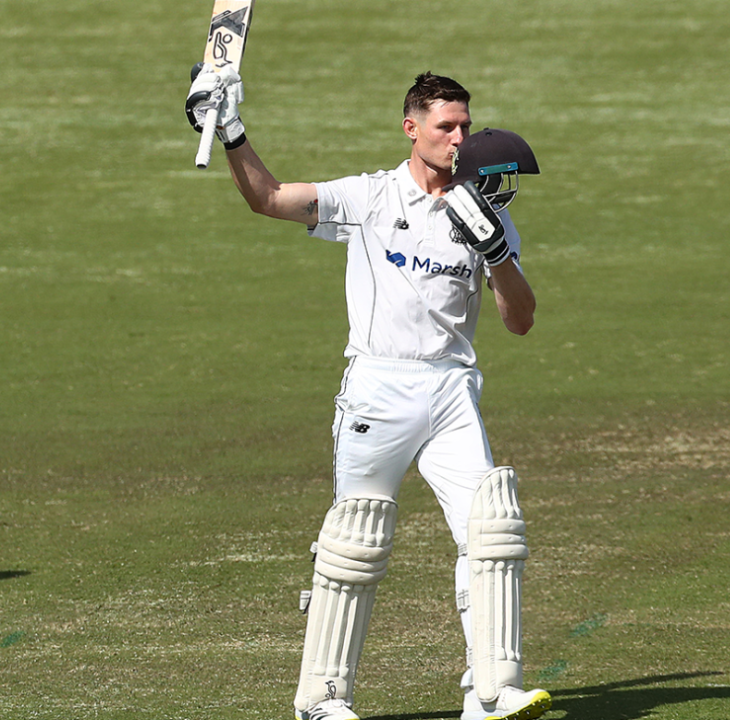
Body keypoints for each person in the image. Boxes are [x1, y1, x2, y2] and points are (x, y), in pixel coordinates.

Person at [185, 68, 551, 720]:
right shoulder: (371, 198)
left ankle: (492, 691)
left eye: (465, 125)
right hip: (379, 389)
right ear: (412, 128)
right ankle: (322, 700)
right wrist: (232, 129)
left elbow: (520, 320)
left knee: (491, 528)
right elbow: (267, 198)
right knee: (354, 543)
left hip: (450, 390)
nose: (459, 138)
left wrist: (494, 251)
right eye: (445, 126)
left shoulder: (485, 213)